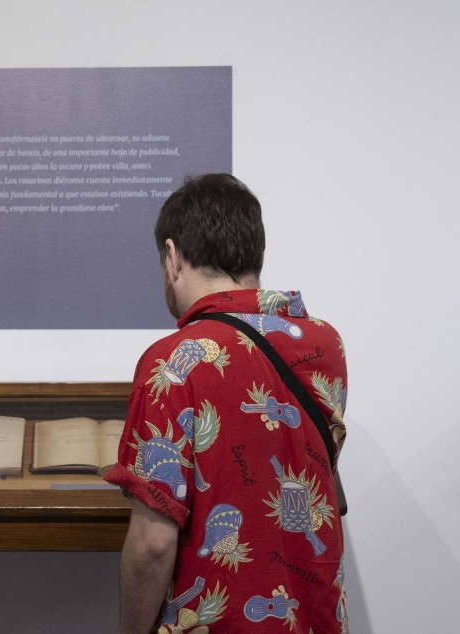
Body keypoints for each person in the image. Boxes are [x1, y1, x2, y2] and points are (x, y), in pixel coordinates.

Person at [104, 174, 349, 633]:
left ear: (174, 256)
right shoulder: (325, 345)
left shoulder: (170, 364)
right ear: (256, 252)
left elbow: (153, 545)